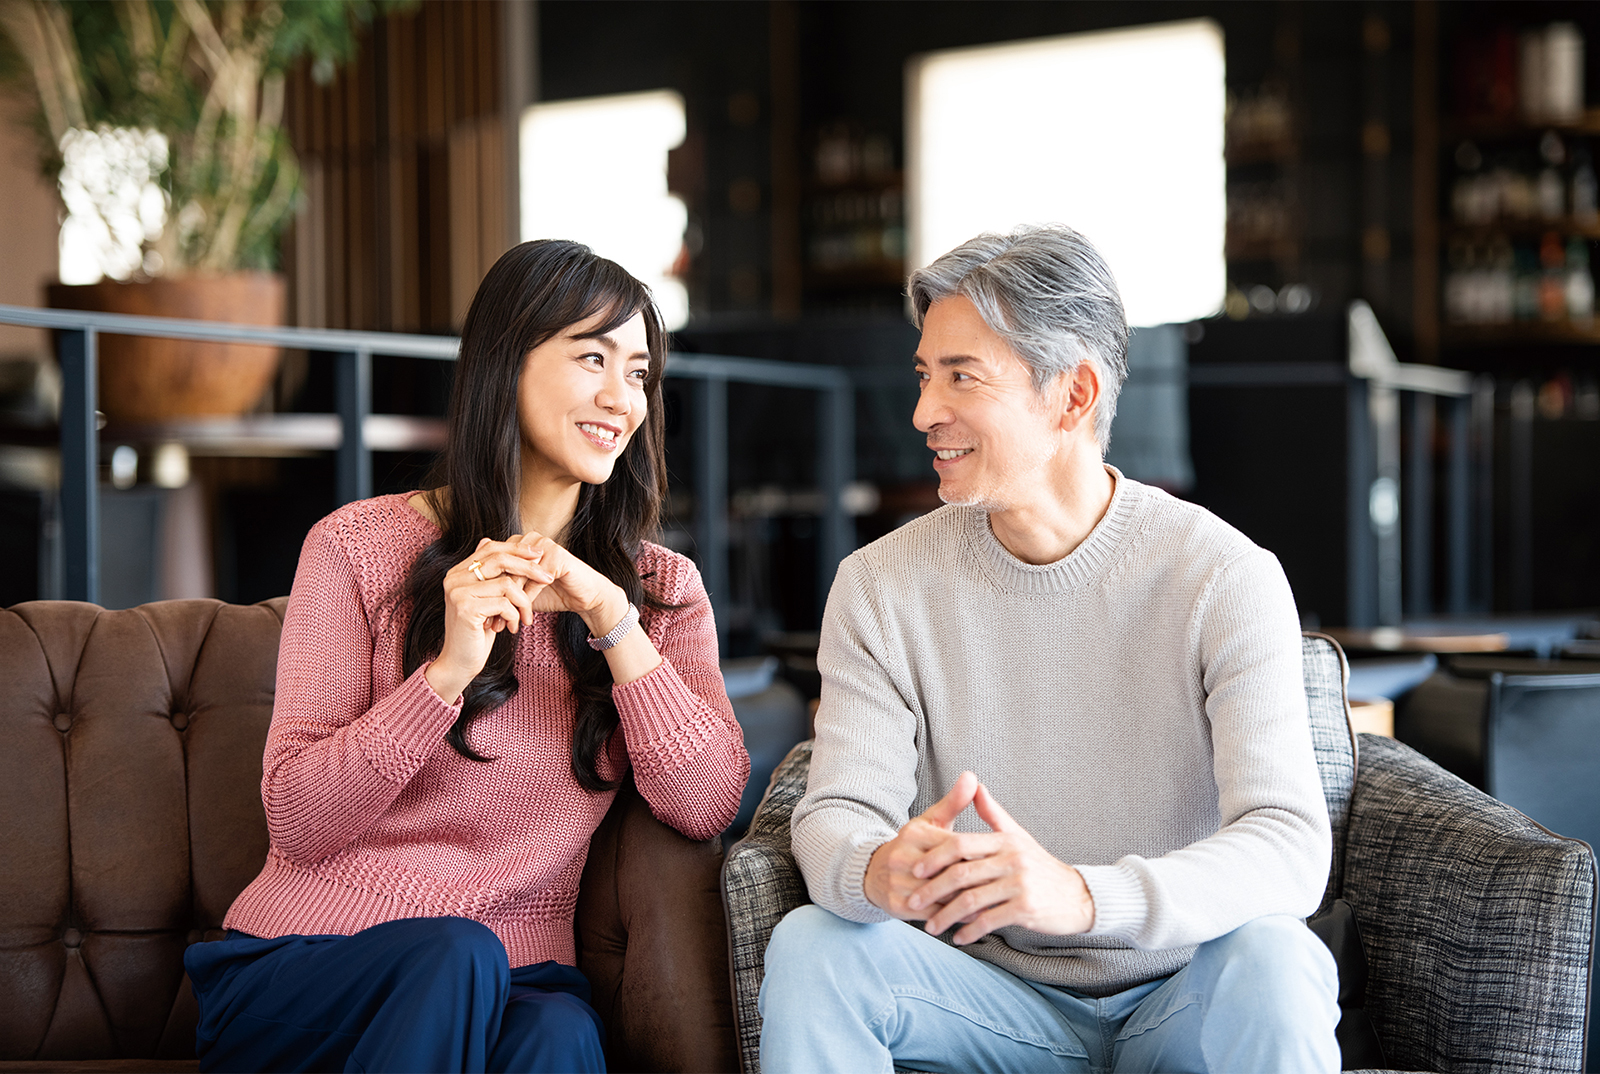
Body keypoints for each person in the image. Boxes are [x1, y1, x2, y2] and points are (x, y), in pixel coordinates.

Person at [759, 224, 1339, 1073]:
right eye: (925, 376)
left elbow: (1289, 845)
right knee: (817, 945)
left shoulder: (1224, 576)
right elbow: (838, 813)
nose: (924, 413)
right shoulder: (879, 586)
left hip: (1181, 990)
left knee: (1279, 961)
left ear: (1072, 397)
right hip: (982, 997)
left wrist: (1082, 896)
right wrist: (875, 867)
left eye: (962, 377)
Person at [184, 240, 749, 1073]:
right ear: (505, 364)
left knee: (560, 1035)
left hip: (521, 974)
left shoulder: (658, 591)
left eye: (637, 373)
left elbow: (706, 805)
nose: (618, 398)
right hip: (313, 967)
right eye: (591, 357)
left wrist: (612, 621)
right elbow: (299, 822)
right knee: (457, 955)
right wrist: (445, 674)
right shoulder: (354, 548)